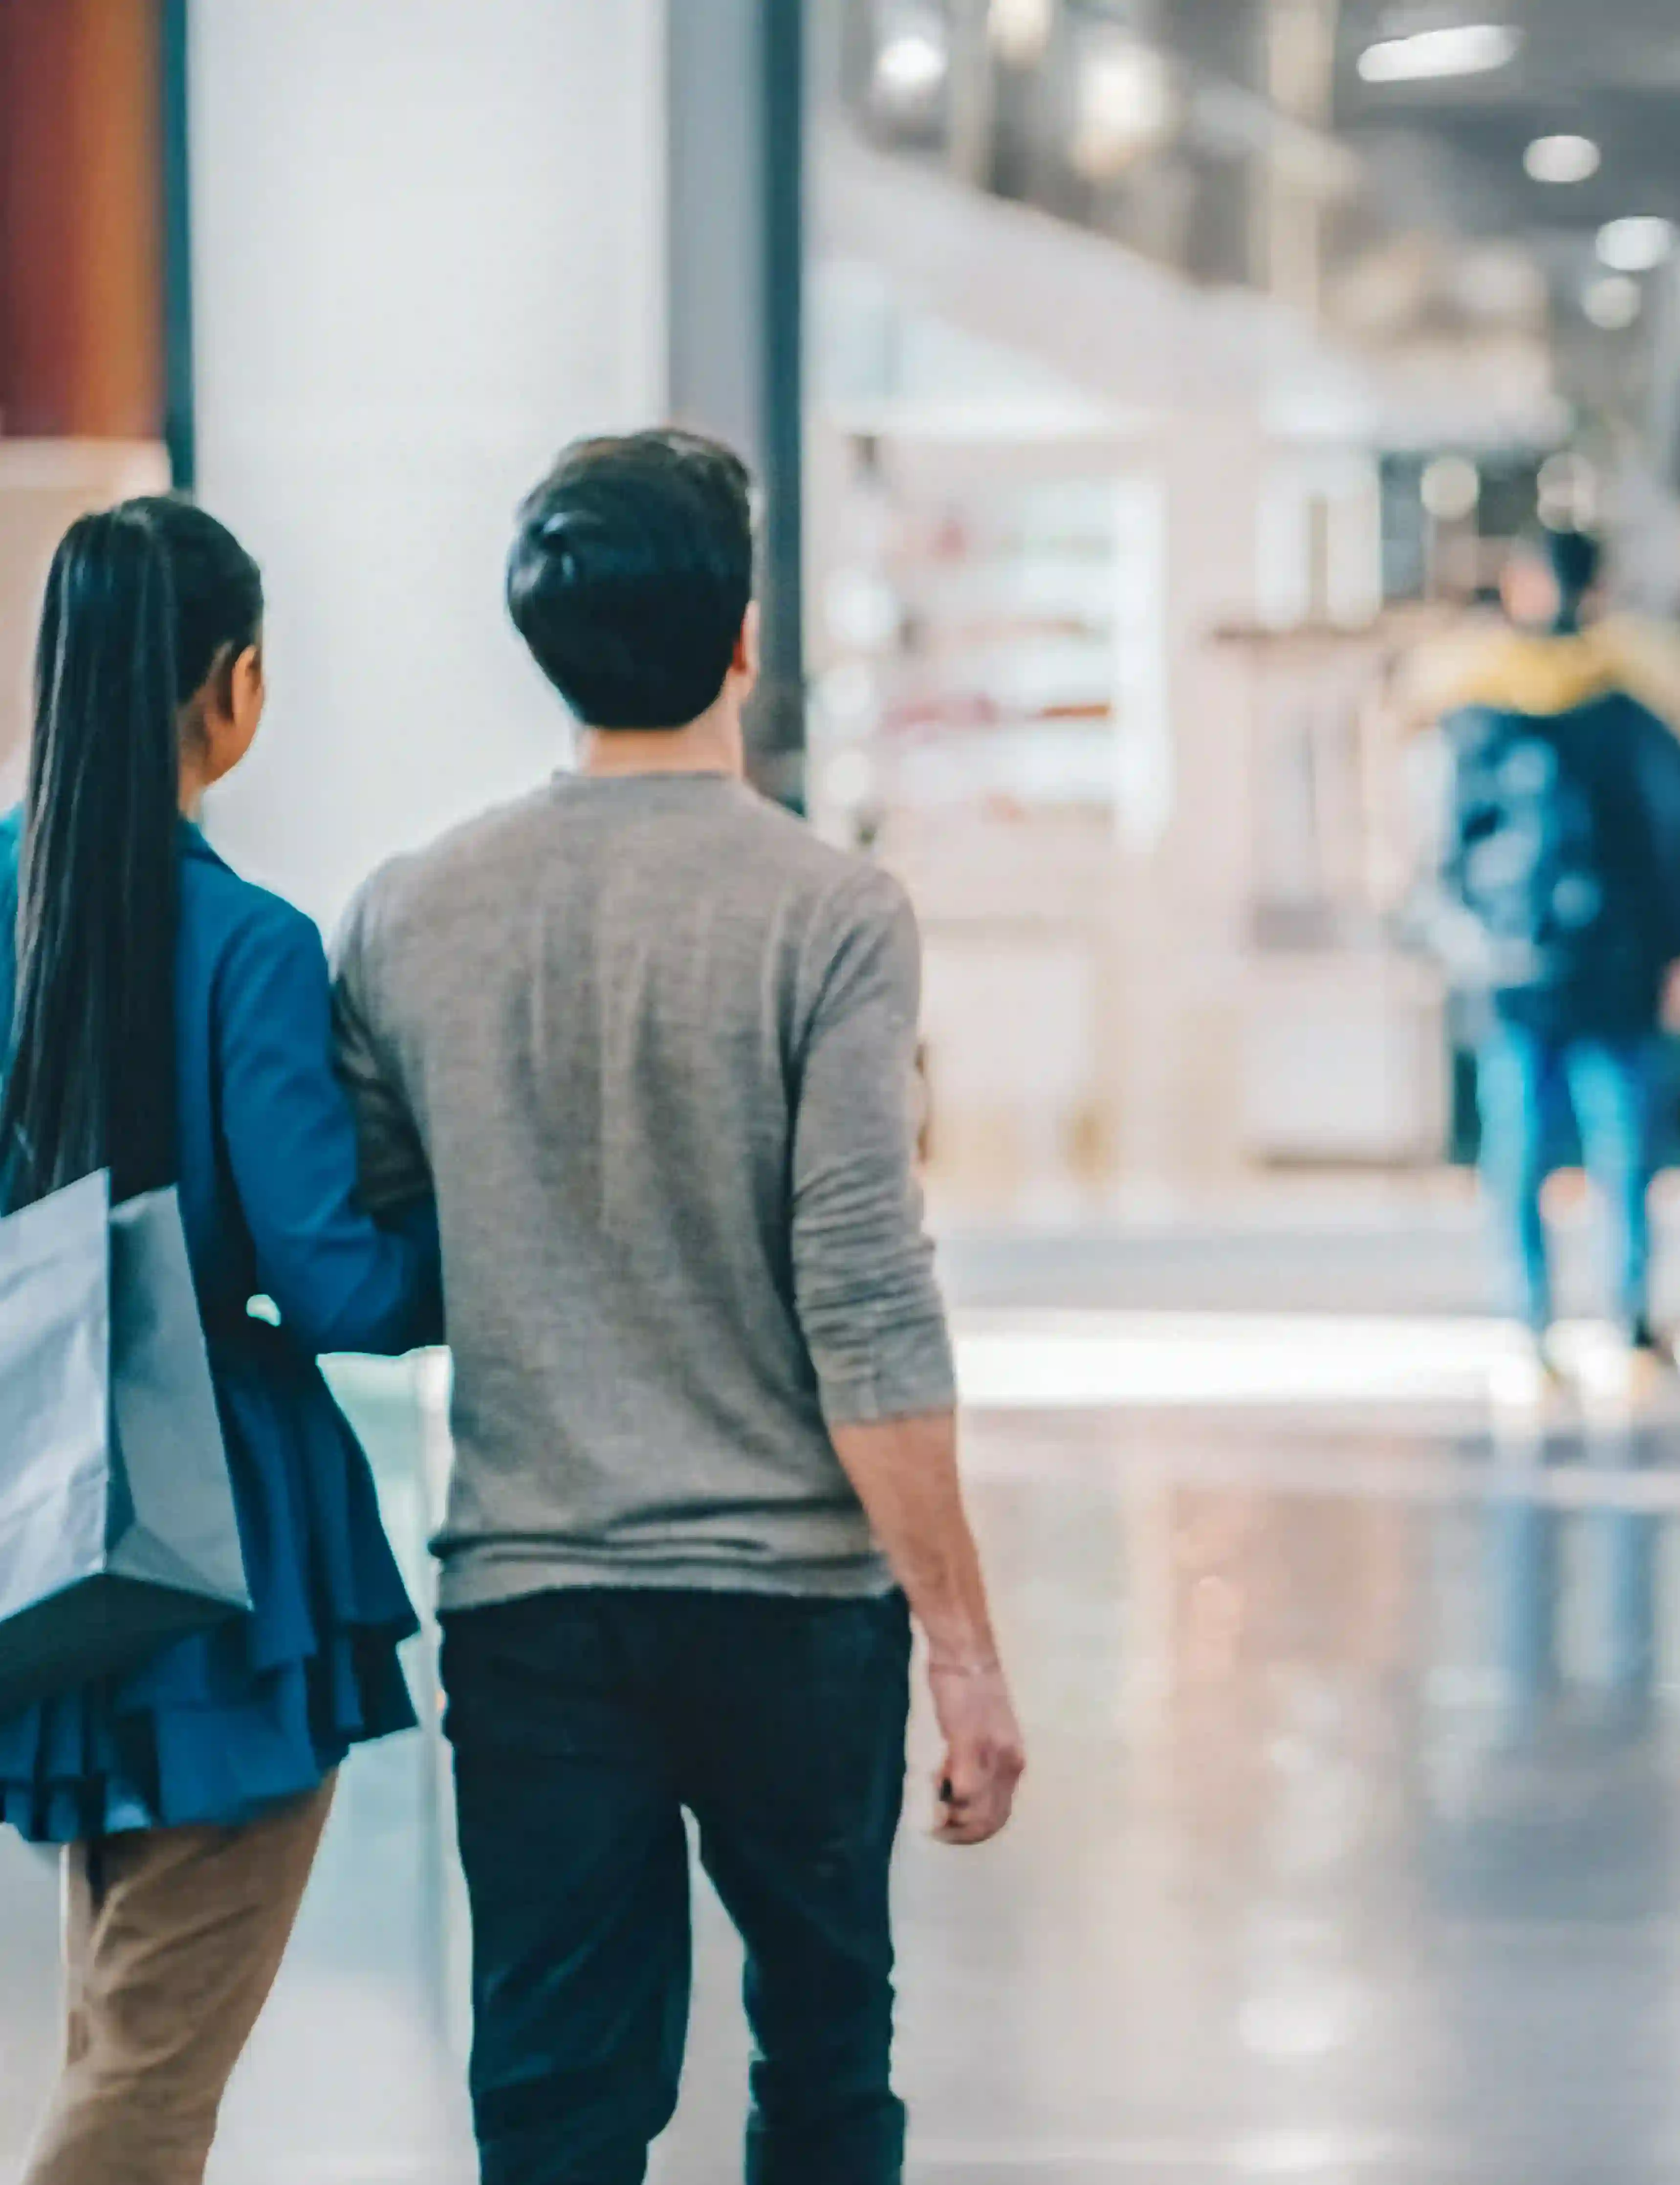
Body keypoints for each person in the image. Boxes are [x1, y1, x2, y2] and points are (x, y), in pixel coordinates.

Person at [330, 430, 1025, 2185]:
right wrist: (959, 1644)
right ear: (742, 638)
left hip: (531, 1597)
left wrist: (538, 1233)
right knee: (820, 2071)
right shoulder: (830, 912)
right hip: (793, 1607)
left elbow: (384, 1250)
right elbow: (863, 1295)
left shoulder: (412, 913)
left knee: (554, 2099)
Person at [0, 499, 440, 2184]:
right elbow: (333, 1284)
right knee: (149, 2076)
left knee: (118, 2024)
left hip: (42, 1523)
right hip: (223, 1551)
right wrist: (463, 1257)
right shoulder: (250, 945)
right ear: (232, 689)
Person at [1428, 525, 1680, 1381]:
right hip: (1593, 973)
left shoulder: (1482, 713)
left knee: (1538, 1153)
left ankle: (1545, 1324)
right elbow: (1676, 842)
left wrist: (1467, 935)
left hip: (1532, 972)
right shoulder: (1622, 712)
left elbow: (1449, 853)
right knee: (1597, 1155)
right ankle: (1597, 1324)